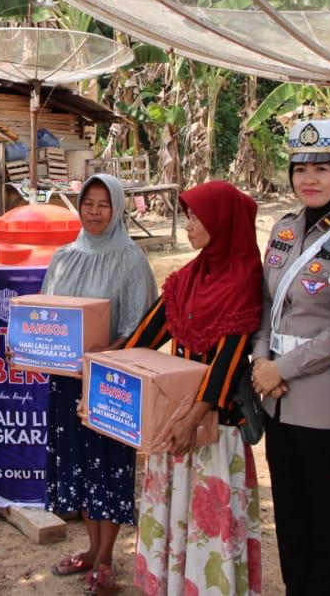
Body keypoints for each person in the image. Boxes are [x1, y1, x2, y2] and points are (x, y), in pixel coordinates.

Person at [251, 120, 330, 596]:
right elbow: (266, 303)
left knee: (327, 520)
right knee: (289, 515)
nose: (309, 178)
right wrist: (262, 363)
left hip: (324, 403)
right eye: (301, 168)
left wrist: (281, 368)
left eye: (322, 168)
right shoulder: (283, 230)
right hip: (276, 398)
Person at [125, 180, 264, 596]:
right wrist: (101, 375)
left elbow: (230, 361)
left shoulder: (244, 282)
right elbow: (142, 340)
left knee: (208, 530)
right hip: (176, 427)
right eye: (187, 215)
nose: (188, 224)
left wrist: (193, 417)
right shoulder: (187, 278)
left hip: (213, 431)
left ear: (223, 223)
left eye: (196, 216)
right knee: (172, 520)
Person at [40, 174, 157, 595]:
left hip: (110, 384)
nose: (93, 211)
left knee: (107, 467)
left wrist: (107, 352)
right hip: (67, 384)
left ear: (119, 209)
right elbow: (44, 316)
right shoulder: (64, 257)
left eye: (103, 205)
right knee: (80, 468)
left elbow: (142, 328)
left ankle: (106, 557)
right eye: (87, 203)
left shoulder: (131, 260)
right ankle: (91, 548)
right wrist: (32, 348)